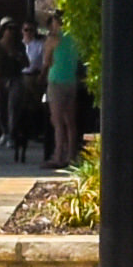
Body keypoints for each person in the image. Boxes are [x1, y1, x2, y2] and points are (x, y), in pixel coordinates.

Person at [46, 16, 87, 169]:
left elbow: (46, 61)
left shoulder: (54, 38)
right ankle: (71, 155)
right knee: (70, 121)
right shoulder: (75, 38)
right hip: (71, 81)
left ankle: (58, 156)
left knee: (57, 121)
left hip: (56, 80)